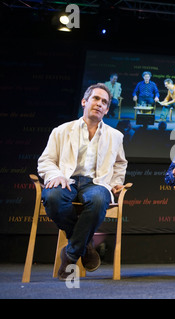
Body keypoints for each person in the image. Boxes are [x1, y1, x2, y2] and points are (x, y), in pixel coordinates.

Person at [38, 83, 128, 280]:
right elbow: (46, 160)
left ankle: (70, 255)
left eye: (104, 102)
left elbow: (120, 163)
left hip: (96, 183)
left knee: (98, 200)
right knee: (52, 197)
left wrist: (115, 181)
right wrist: (55, 176)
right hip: (66, 180)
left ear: (107, 109)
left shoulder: (116, 136)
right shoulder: (61, 130)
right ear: (84, 101)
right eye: (96, 98)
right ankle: (84, 247)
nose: (99, 104)